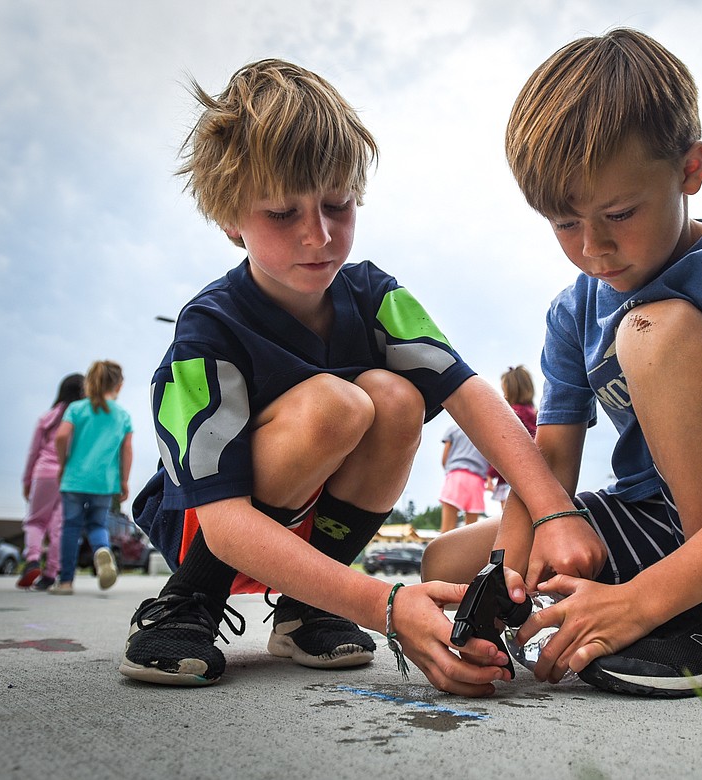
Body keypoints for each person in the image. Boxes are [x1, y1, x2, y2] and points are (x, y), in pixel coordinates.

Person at [119, 58, 578, 696]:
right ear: (231, 220)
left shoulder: (373, 294)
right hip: (213, 532)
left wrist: (555, 511)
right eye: (283, 213)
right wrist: (384, 605)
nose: (319, 234)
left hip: (311, 535)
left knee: (394, 397)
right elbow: (222, 518)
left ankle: (310, 607)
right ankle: (186, 601)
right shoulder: (208, 329)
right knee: (335, 405)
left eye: (337, 204)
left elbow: (470, 394)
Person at [422, 28, 702, 698]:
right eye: (565, 224)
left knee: (653, 332)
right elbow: (552, 465)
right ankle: (634, 602)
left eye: (619, 213)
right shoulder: (572, 312)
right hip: (656, 515)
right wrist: (505, 578)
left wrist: (641, 603)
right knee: (445, 559)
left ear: (690, 169)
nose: (594, 247)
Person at [53, 361, 133, 595]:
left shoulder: (77, 409)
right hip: (104, 482)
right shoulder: (122, 415)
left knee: (71, 527)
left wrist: (62, 463)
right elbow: (127, 450)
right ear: (119, 385)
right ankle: (102, 549)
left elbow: (61, 436)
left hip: (74, 479)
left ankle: (66, 582)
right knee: (97, 524)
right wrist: (124, 480)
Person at [17, 373, 86, 591]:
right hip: (68, 478)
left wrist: (27, 481)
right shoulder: (81, 420)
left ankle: (33, 560)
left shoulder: (47, 418)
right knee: (60, 527)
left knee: (35, 521)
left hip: (44, 473)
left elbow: (33, 452)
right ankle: (50, 574)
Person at [487, 365, 538, 509]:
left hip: (510, 478)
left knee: (509, 520)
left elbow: (504, 448)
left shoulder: (511, 415)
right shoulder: (536, 414)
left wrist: (491, 473)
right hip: (533, 476)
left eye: (505, 392)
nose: (504, 396)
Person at [438, 424, 490, 533]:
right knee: (471, 531)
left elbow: (444, 459)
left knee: (446, 530)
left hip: (456, 476)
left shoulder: (453, 429)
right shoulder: (487, 431)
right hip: (477, 480)